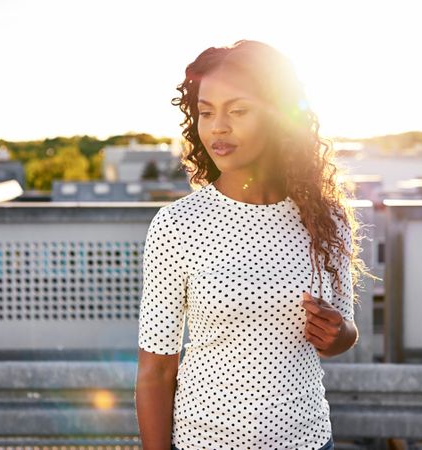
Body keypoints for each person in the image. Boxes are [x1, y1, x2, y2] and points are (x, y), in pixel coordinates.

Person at [135, 39, 368, 450]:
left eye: (237, 111)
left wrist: (340, 334)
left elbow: (345, 329)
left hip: (308, 441)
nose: (217, 127)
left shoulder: (326, 219)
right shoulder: (176, 225)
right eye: (206, 112)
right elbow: (155, 370)